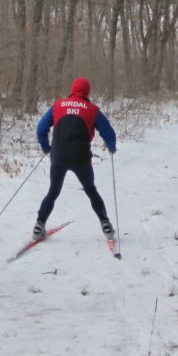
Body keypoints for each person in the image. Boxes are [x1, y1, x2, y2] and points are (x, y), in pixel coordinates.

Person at [33, 76, 117, 240]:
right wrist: (112, 146)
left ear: (72, 89)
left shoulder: (58, 105)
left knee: (53, 192)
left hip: (58, 156)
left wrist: (46, 147)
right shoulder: (92, 109)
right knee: (91, 190)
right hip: (81, 157)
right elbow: (109, 133)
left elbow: (41, 129)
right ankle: (105, 223)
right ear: (87, 91)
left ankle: (39, 225)